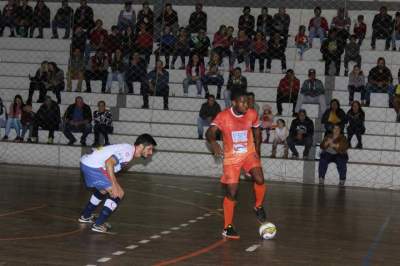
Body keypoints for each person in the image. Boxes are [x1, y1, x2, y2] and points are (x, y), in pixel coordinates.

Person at [206, 91, 267, 239]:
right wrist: (213, 142)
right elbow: (210, 132)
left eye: (248, 102)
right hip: (232, 158)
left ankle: (258, 206)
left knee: (260, 179)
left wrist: (257, 149)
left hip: (248, 153)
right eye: (243, 102)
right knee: (232, 192)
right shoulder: (224, 116)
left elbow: (257, 129)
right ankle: (227, 227)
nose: (246, 105)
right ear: (234, 103)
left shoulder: (251, 114)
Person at [78, 134, 157, 233]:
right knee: (118, 193)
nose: (151, 152)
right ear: (141, 146)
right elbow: (109, 163)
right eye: (149, 149)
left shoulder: (128, 149)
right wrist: (114, 184)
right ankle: (98, 224)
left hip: (87, 163)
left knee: (102, 190)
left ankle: (85, 216)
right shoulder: (128, 152)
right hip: (93, 167)